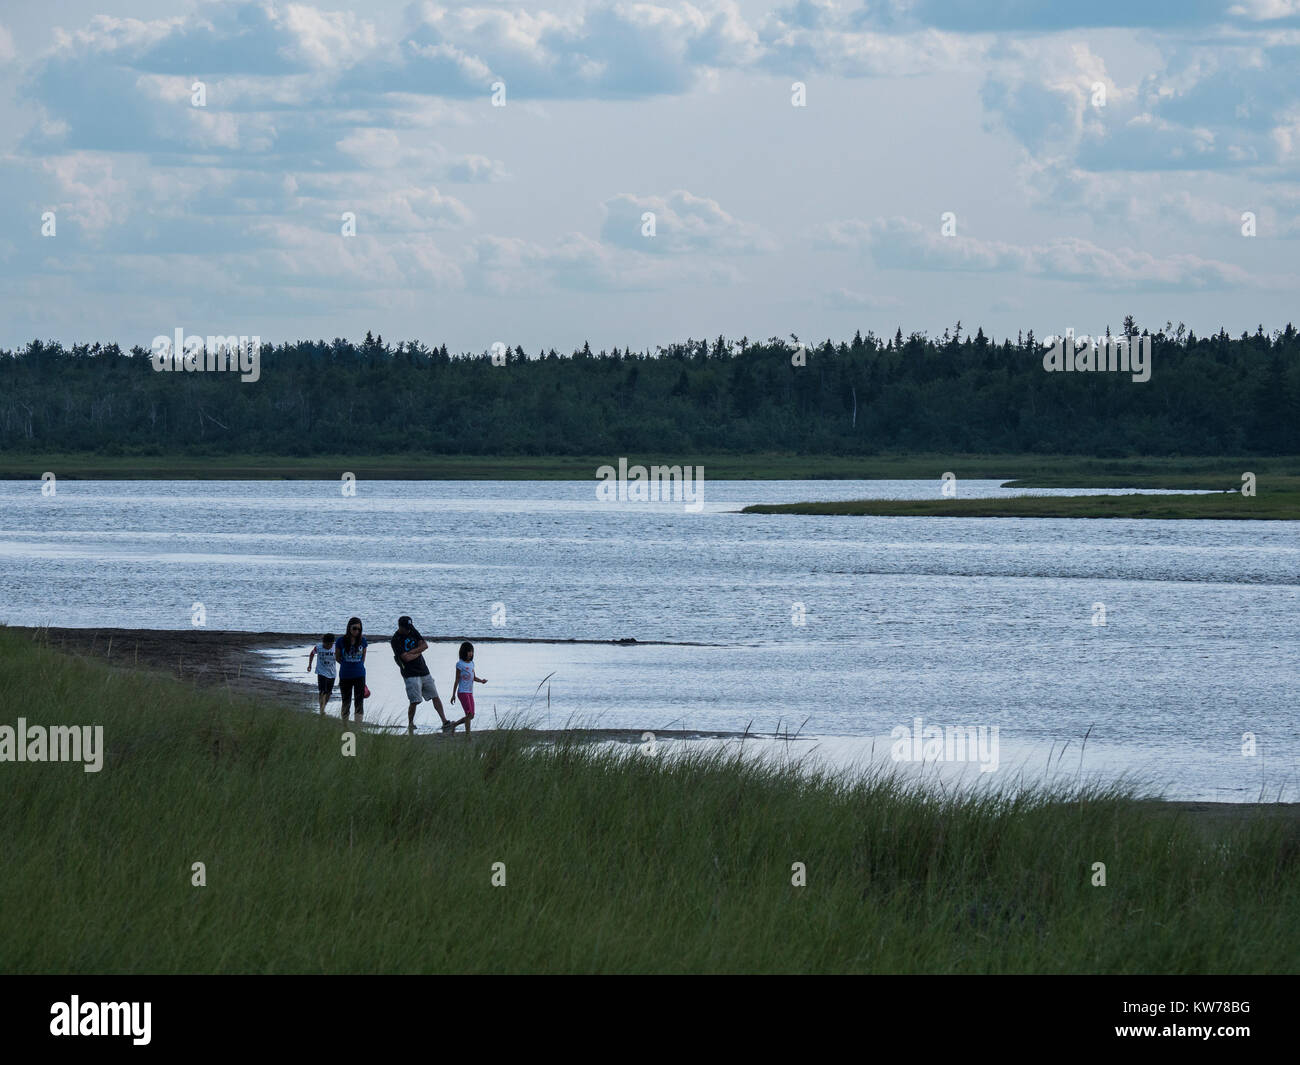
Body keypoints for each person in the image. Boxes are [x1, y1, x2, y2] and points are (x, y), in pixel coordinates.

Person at [391, 615, 453, 733]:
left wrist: (414, 652)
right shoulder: (395, 639)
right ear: (400, 627)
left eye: (410, 627)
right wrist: (418, 651)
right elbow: (406, 658)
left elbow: (425, 645)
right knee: (414, 701)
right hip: (410, 674)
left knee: (435, 695)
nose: (409, 630)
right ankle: (410, 723)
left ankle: (444, 721)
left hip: (423, 670)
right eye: (406, 628)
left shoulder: (412, 630)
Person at [448, 641, 487, 737]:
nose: (471, 653)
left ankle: (454, 725)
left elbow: (473, 677)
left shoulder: (472, 663)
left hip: (470, 692)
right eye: (469, 651)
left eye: (472, 651)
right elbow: (457, 679)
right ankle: (468, 735)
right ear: (464, 652)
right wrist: (453, 695)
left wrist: (481, 681)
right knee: (468, 714)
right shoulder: (459, 664)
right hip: (462, 692)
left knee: (472, 715)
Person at [334, 617, 368, 720]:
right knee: (346, 701)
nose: (356, 631)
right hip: (345, 675)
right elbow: (337, 657)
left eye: (359, 629)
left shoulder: (363, 641)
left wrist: (356, 665)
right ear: (349, 628)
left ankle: (358, 727)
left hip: (359, 675)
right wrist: (346, 664)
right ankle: (345, 726)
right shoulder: (341, 641)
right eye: (354, 628)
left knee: (359, 702)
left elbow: (363, 658)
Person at [307, 632, 336, 714]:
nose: (328, 646)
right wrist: (310, 665)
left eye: (330, 644)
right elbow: (312, 654)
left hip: (332, 673)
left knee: (329, 692)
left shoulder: (335, 648)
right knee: (322, 691)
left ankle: (323, 706)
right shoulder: (318, 647)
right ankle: (322, 709)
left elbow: (340, 657)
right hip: (321, 671)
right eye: (327, 644)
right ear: (324, 642)